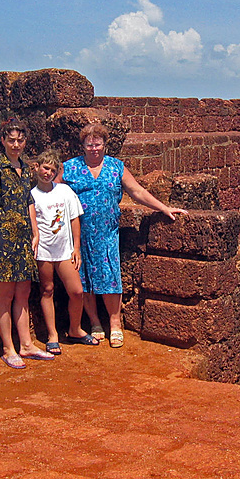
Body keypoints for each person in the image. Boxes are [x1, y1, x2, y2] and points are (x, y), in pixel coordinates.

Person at [59, 123, 188, 348]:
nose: (94, 149)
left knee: (110, 278)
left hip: (107, 234)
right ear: (83, 146)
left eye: (98, 144)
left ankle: (115, 323)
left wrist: (162, 208)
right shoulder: (70, 167)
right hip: (78, 236)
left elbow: (136, 191)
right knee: (84, 279)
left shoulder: (116, 167)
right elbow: (51, 190)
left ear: (105, 145)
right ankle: (95, 322)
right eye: (89, 144)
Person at [0, 118, 54, 369]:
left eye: (19, 140)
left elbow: (29, 202)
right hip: (4, 237)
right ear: (3, 141)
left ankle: (25, 344)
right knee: (6, 293)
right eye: (11, 140)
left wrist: (35, 232)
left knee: (23, 292)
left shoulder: (25, 168)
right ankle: (8, 347)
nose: (15, 144)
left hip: (24, 239)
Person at [31, 149, 99, 354]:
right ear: (37, 167)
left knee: (77, 291)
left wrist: (76, 248)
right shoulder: (31, 195)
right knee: (47, 289)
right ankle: (52, 335)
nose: (48, 173)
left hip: (64, 250)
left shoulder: (64, 191)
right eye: (45, 168)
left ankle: (75, 329)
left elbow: (74, 219)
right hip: (43, 250)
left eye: (52, 170)